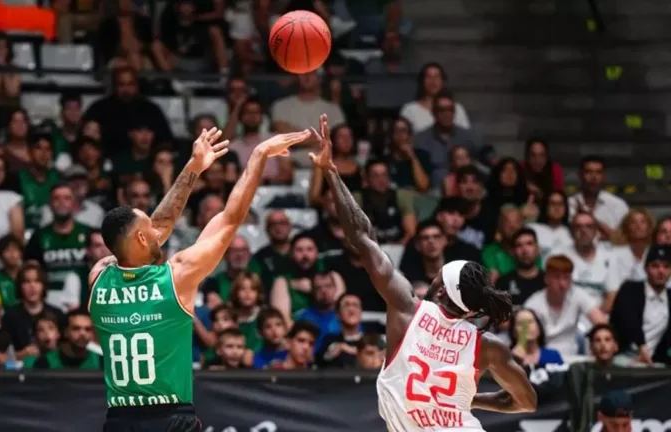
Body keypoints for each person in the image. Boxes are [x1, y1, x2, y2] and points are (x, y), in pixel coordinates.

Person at [309, 113, 536, 430]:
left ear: (442, 289)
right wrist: (470, 400)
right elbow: (527, 402)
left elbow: (361, 236)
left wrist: (331, 172)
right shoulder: (488, 346)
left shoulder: (407, 309)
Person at [88, 128, 310, 430]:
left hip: (119, 421)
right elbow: (230, 218)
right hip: (170, 418)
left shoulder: (98, 277)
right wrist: (258, 156)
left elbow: (150, 234)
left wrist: (193, 168)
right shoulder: (176, 277)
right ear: (141, 237)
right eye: (149, 228)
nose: (158, 230)